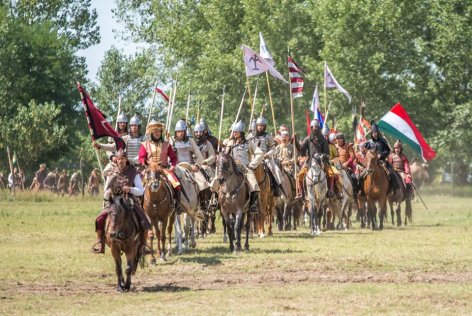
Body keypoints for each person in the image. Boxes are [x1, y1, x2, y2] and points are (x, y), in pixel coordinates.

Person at [91, 149, 151, 254]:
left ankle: (143, 244)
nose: (120, 161)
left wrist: (130, 189)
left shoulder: (133, 172)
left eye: (122, 159)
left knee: (144, 220)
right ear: (116, 160)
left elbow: (141, 191)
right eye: (118, 159)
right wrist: (109, 192)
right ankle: (100, 242)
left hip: (129, 200)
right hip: (114, 202)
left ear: (126, 159)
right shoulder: (111, 172)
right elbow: (105, 192)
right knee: (99, 219)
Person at [214, 120, 264, 214]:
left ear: (241, 132)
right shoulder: (230, 143)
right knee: (215, 181)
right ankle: (215, 201)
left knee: (254, 185)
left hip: (245, 168)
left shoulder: (249, 143)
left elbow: (260, 153)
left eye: (236, 132)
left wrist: (252, 165)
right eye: (233, 132)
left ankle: (252, 205)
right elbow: (225, 155)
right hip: (231, 169)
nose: (234, 133)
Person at [138, 120, 182, 212]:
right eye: (155, 131)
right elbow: (141, 158)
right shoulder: (144, 145)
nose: (157, 133)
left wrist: (173, 166)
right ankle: (139, 206)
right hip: (149, 170)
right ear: (151, 133)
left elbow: (174, 158)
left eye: (158, 131)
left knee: (176, 184)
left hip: (163, 169)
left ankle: (177, 204)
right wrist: (145, 163)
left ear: (161, 132)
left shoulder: (167, 144)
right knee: (139, 184)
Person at [247, 116, 283, 195]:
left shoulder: (268, 136)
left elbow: (274, 149)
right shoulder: (250, 137)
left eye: (262, 125)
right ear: (256, 126)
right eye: (259, 125)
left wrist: (268, 154)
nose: (260, 127)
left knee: (276, 170)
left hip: (266, 159)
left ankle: (277, 189)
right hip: (253, 159)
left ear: (264, 126)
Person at [297, 119, 329, 198]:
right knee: (300, 175)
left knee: (332, 173)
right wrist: (295, 143)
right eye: (313, 127)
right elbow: (302, 151)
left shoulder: (323, 140)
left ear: (319, 128)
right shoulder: (308, 139)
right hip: (310, 161)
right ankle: (301, 192)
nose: (315, 128)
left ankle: (331, 190)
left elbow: (327, 153)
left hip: (322, 162)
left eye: (316, 127)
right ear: (311, 128)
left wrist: (323, 156)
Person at [365, 122, 396, 191]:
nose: (374, 134)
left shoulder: (382, 141)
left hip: (382, 161)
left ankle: (393, 189)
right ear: (371, 134)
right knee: (361, 175)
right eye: (373, 133)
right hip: (371, 163)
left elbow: (387, 151)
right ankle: (361, 191)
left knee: (392, 173)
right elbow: (365, 152)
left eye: (375, 132)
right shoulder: (368, 142)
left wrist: (381, 155)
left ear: (378, 132)